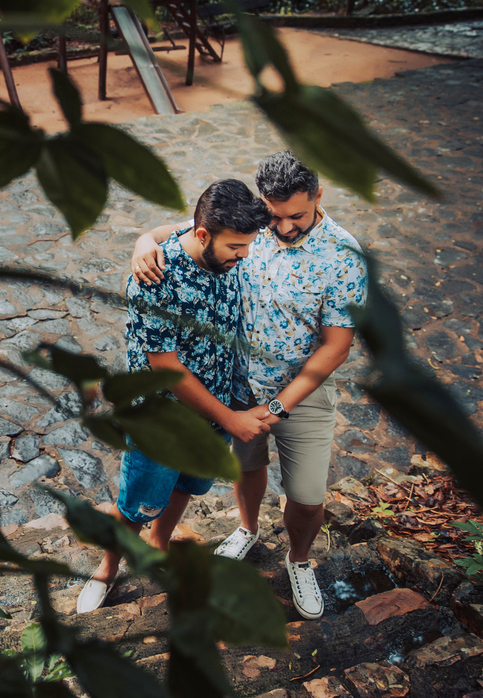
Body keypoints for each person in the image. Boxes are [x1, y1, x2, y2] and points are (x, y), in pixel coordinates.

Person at [129, 151, 367, 620]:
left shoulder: (343, 255)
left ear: (319, 196)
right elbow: (175, 232)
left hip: (301, 393)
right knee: (247, 469)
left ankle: (299, 559)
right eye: (274, 216)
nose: (282, 227)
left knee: (307, 497)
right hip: (236, 386)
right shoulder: (251, 225)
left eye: (295, 215)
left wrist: (278, 408)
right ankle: (248, 528)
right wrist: (141, 243)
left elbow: (336, 346)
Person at [77, 179, 274, 614]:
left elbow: (178, 224)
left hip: (213, 406)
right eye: (237, 248)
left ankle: (159, 546)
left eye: (247, 246)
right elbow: (166, 370)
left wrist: (146, 234)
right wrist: (230, 419)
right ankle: (105, 571)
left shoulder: (217, 237)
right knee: (135, 503)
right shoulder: (154, 278)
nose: (245, 256)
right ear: (204, 236)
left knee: (188, 485)